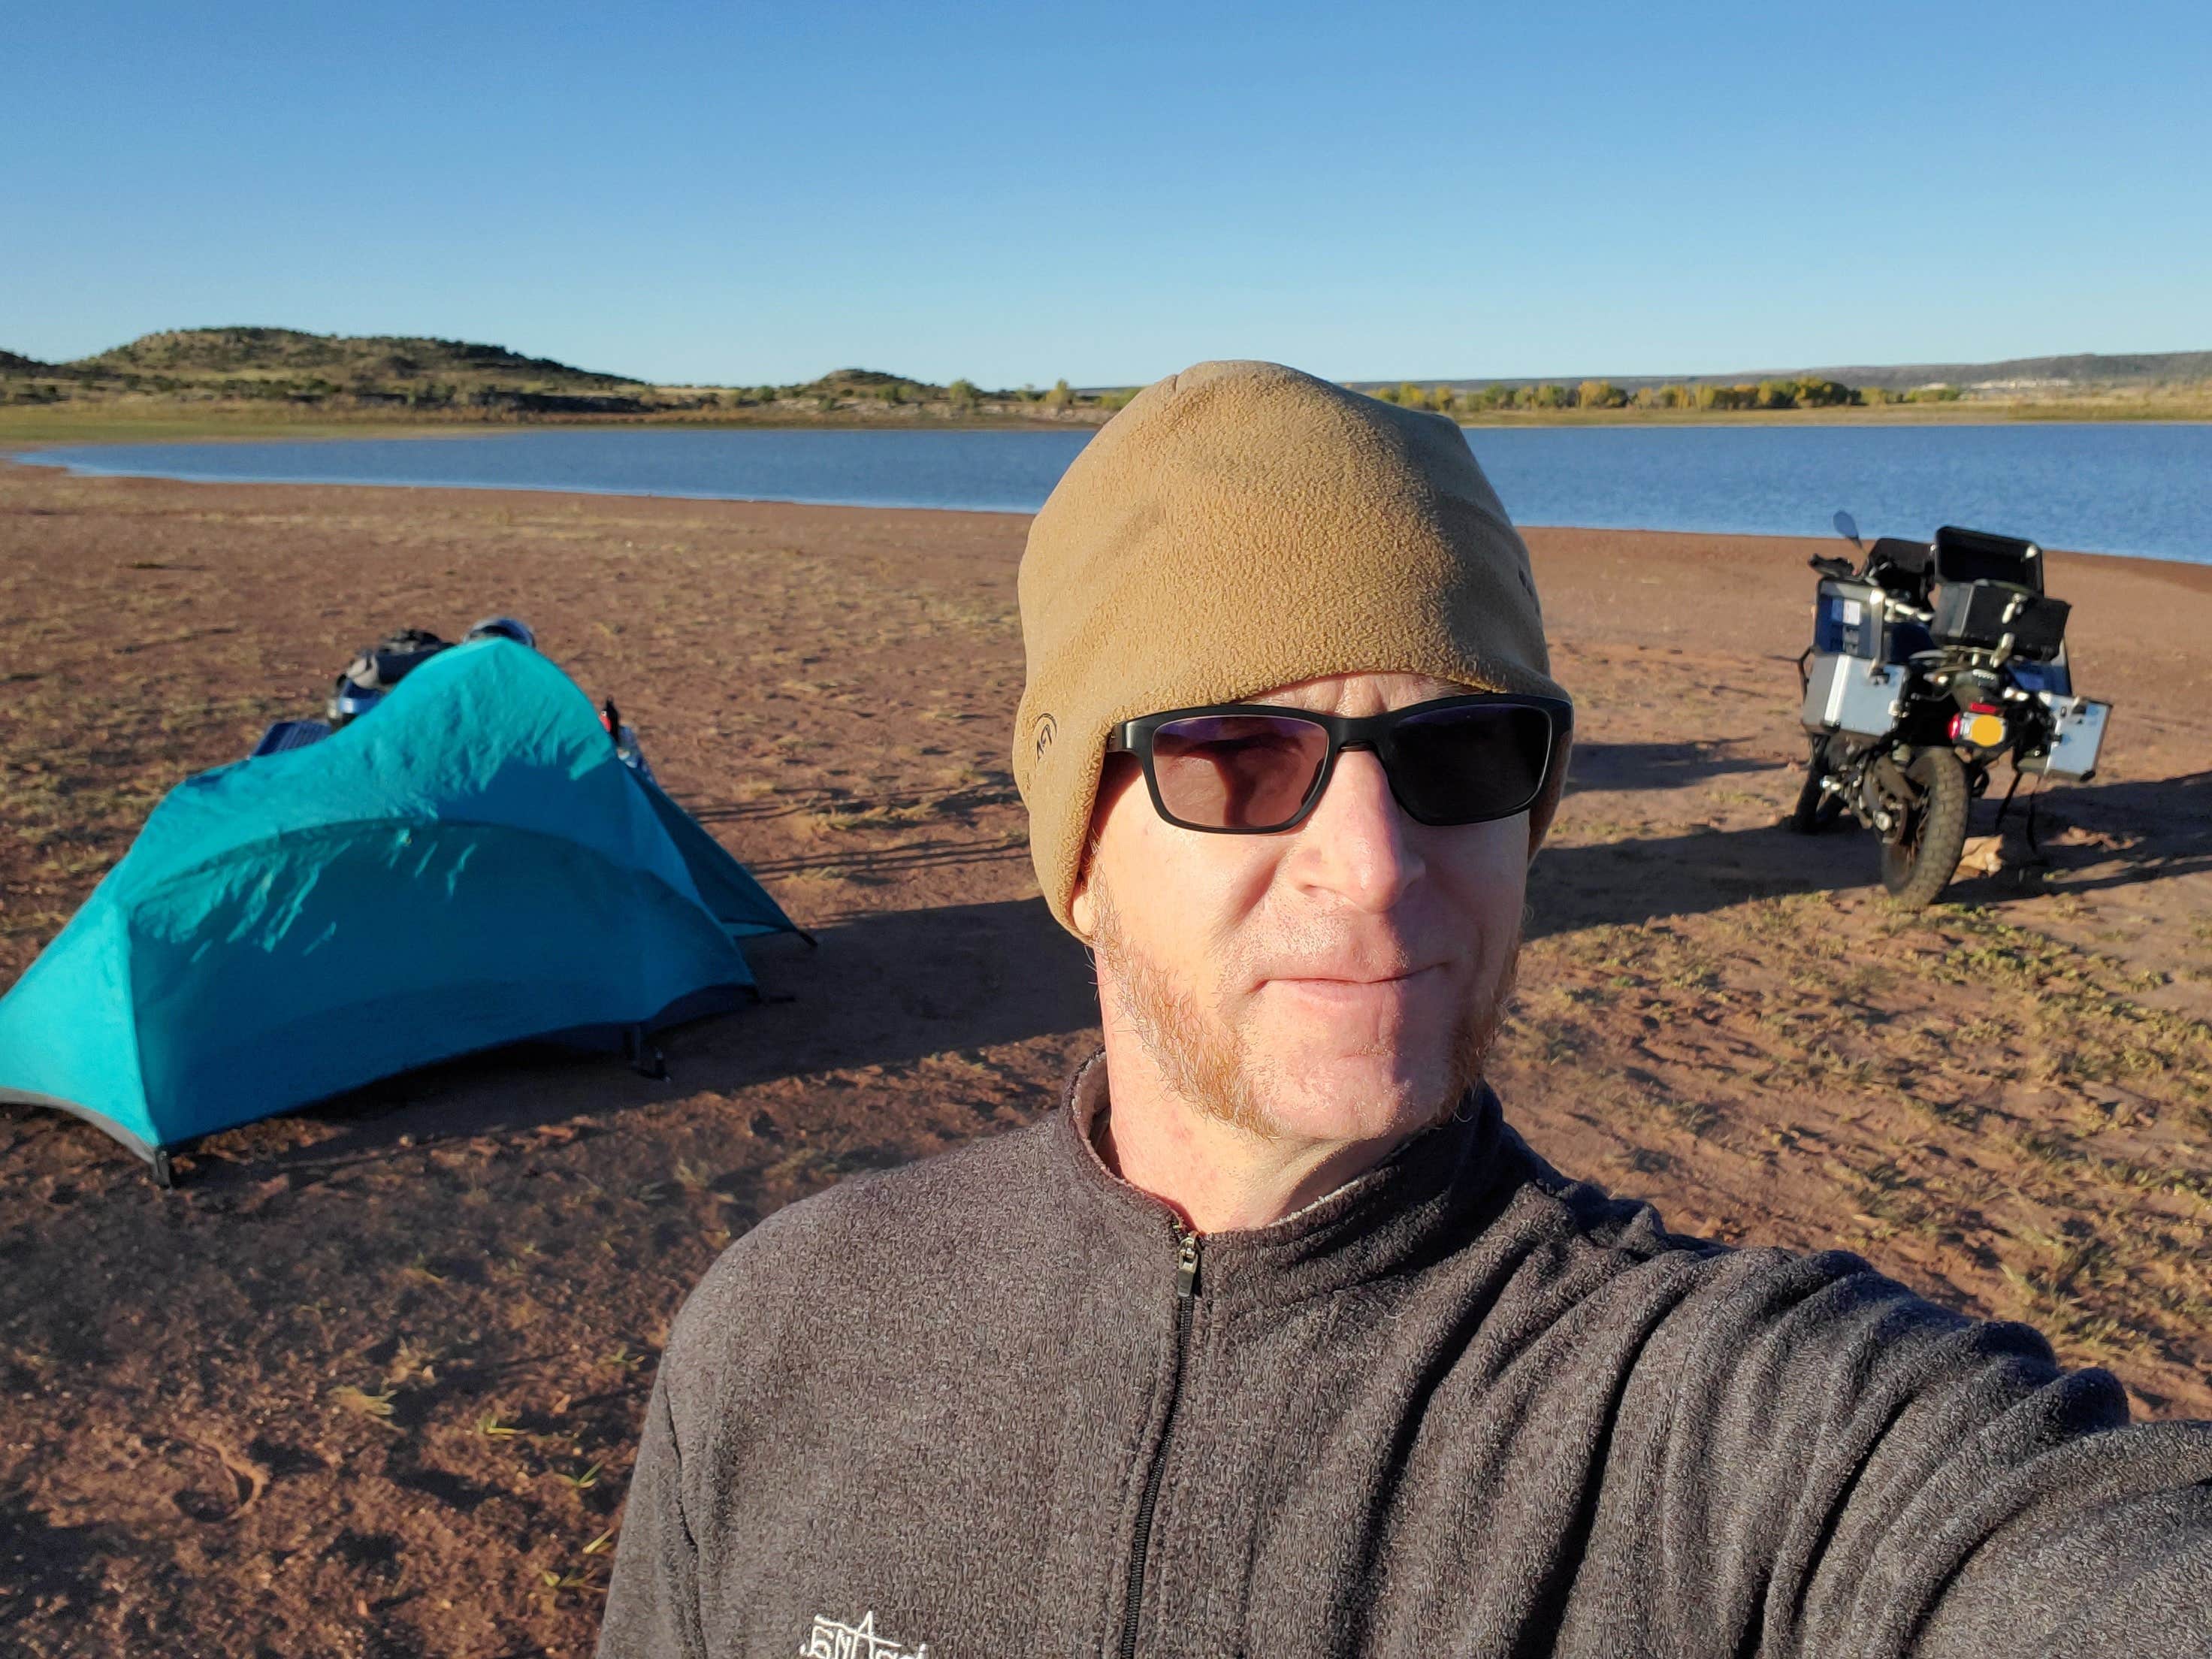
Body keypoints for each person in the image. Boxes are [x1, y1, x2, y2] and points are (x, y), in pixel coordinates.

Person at [596, 361, 2212, 1657]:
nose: (1372, 867)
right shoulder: (787, 1328)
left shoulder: (1740, 1430)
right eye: (1237, 758)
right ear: (1076, 852)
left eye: (1460, 753)